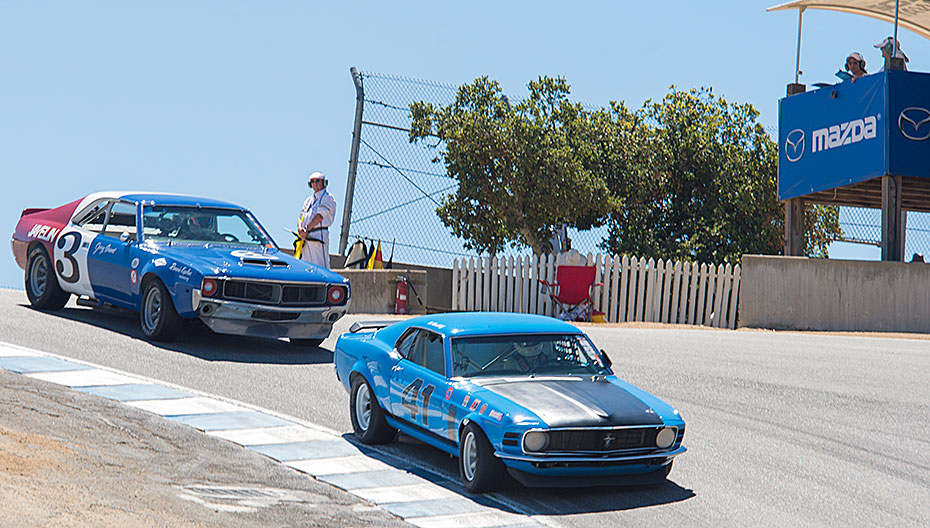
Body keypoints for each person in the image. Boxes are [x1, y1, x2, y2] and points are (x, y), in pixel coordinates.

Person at [298, 171, 337, 269]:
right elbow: (301, 217)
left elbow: (320, 216)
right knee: (305, 265)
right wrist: (300, 229)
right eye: (312, 182)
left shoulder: (327, 198)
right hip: (306, 237)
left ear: (324, 182)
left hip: (318, 235)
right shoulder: (308, 201)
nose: (315, 184)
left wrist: (307, 229)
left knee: (320, 265)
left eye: (317, 181)